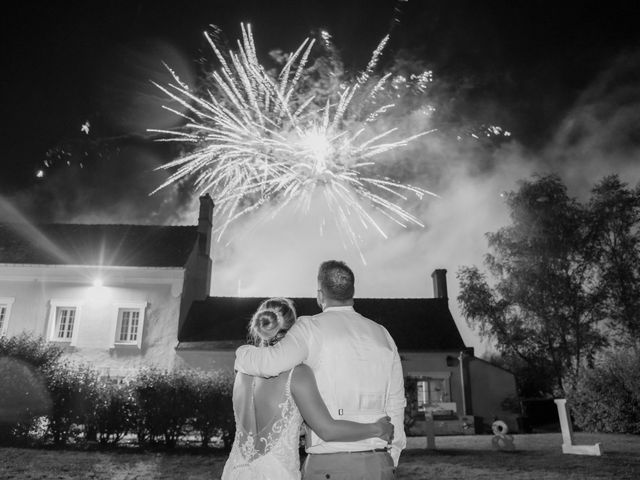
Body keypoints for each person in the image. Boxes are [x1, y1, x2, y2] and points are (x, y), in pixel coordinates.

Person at [235, 261, 406, 480]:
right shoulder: (383, 334)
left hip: (329, 466)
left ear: (319, 294)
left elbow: (268, 364)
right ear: (353, 292)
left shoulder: (310, 328)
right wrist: (391, 456)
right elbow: (396, 403)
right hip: (379, 464)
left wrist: (241, 353)